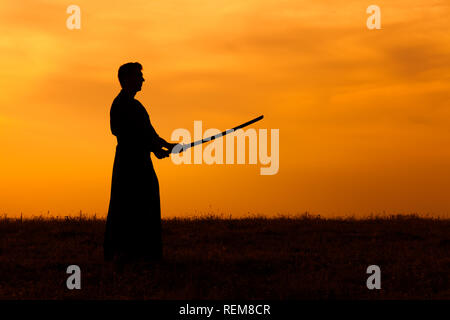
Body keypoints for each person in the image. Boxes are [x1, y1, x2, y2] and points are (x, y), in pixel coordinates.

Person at [103, 62, 177, 267]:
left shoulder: (136, 106)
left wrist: (167, 146)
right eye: (139, 76)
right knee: (126, 204)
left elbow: (149, 133)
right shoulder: (119, 105)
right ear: (127, 79)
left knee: (147, 201)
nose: (143, 80)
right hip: (128, 163)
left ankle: (145, 253)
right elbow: (125, 133)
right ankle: (123, 252)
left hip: (141, 160)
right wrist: (154, 148)